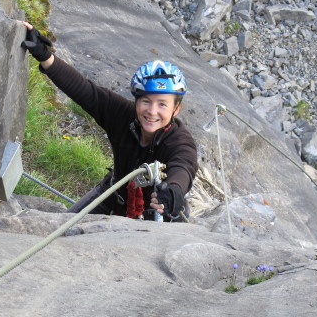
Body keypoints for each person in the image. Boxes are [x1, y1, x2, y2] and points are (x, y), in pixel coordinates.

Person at [20, 21, 198, 222]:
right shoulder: (124, 115)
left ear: (176, 109)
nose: (152, 111)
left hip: (162, 211)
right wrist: (45, 56)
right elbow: (86, 92)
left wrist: (174, 190)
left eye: (162, 104)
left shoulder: (179, 141)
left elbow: (183, 165)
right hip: (115, 197)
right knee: (60, 230)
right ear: (136, 101)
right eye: (146, 101)